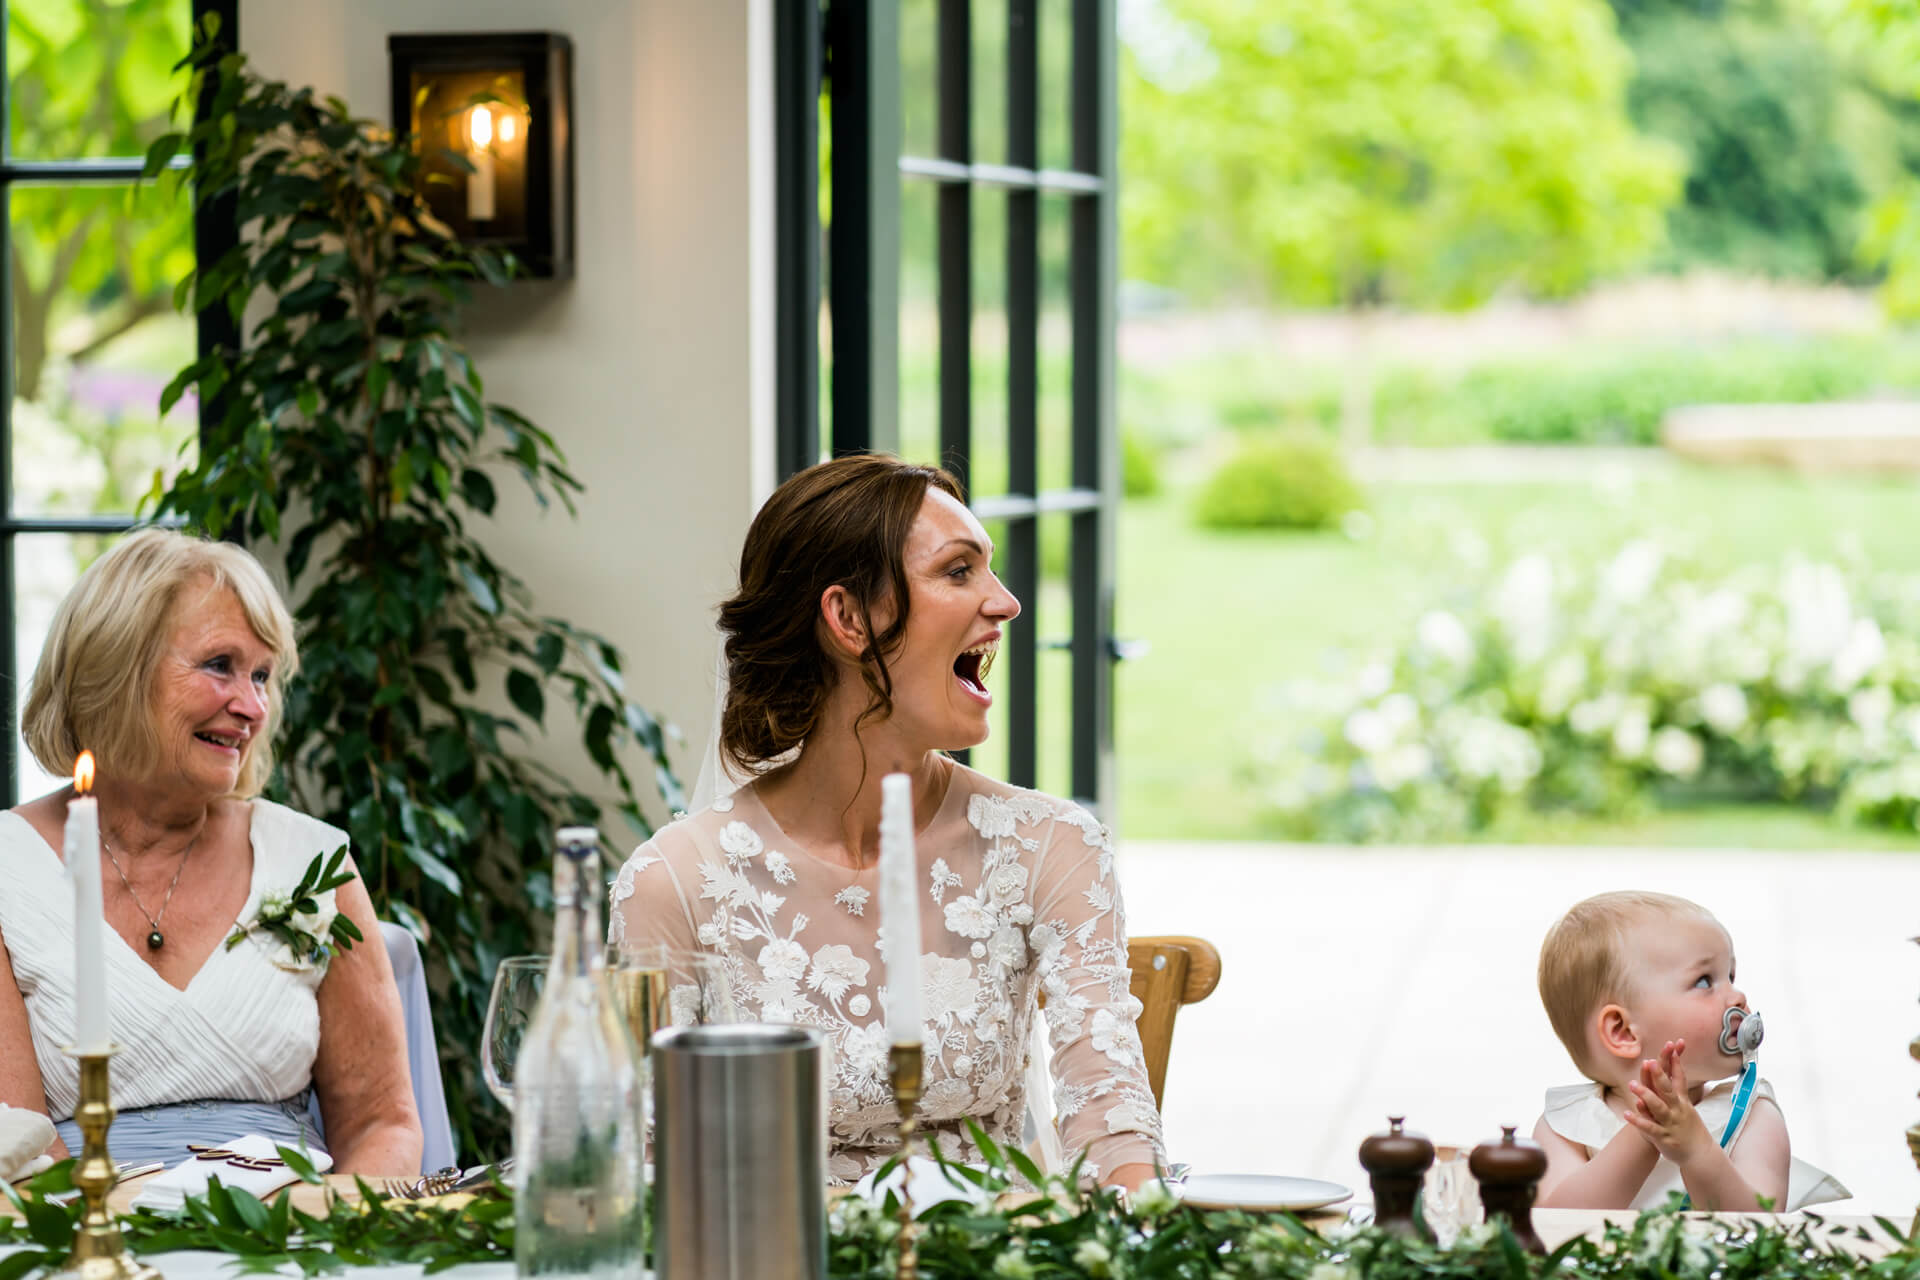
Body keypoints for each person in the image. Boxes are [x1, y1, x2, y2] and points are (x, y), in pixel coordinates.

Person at [611, 455, 1164, 1188]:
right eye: (959, 571)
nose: (1006, 603)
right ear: (846, 617)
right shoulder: (673, 884)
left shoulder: (1049, 849)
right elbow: (641, 1170)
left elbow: (1113, 1134)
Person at [0, 529, 421, 1173]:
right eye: (219, 665)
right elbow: (22, 1147)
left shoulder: (313, 862)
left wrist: (330, 1250)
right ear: (115, 670)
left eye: (262, 676)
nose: (251, 706)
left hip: (294, 1248)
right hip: (83, 1241)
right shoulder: (8, 867)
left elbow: (381, 1123)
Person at [1532, 890, 1844, 1211]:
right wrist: (1644, 1134)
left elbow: (1757, 1228)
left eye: (1731, 976)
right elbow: (1556, 1225)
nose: (1737, 996)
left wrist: (1698, 1151)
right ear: (1622, 1032)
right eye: (1705, 982)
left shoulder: (1750, 1116)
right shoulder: (1565, 1126)